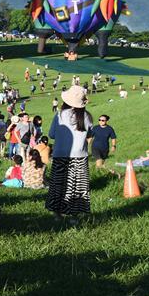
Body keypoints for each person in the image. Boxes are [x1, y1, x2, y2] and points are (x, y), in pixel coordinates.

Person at [46, 86, 92, 221]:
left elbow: (51, 134)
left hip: (60, 154)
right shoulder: (87, 116)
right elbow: (89, 134)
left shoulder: (59, 115)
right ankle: (74, 216)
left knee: (58, 184)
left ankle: (57, 214)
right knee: (76, 186)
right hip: (79, 155)